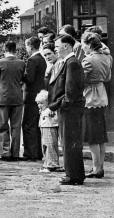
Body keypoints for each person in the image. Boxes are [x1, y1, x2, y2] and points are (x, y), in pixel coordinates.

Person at [48, 34, 86, 185]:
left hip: (70, 109)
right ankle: (74, 174)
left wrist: (61, 105)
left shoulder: (72, 63)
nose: (55, 49)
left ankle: (73, 176)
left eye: (57, 46)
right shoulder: (69, 62)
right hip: (68, 108)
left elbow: (70, 90)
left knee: (70, 142)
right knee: (69, 141)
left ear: (66, 46)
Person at [80, 32, 111, 179]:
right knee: (100, 134)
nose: (82, 48)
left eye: (83, 45)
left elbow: (80, 79)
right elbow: (108, 77)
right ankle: (100, 167)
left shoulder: (88, 60)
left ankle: (96, 168)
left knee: (92, 135)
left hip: (90, 97)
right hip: (101, 94)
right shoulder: (107, 57)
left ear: (89, 45)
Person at [0, 41, 25, 161]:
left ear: (4, 49)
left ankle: (5, 152)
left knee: (3, 126)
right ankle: (15, 153)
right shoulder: (21, 63)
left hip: (3, 97)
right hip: (17, 97)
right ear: (15, 50)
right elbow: (23, 79)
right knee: (16, 126)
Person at [38, 43, 63, 173]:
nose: (47, 57)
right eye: (45, 55)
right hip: (48, 103)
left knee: (51, 134)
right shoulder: (50, 67)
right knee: (48, 135)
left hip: (54, 105)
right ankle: (50, 161)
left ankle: (52, 163)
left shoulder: (59, 65)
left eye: (49, 54)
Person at [21, 37, 47, 161]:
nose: (26, 49)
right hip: (40, 95)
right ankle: (37, 152)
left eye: (26, 47)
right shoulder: (42, 59)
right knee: (36, 126)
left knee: (28, 125)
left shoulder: (32, 60)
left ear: (31, 46)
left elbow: (29, 78)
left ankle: (30, 153)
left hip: (31, 96)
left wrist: (21, 74)